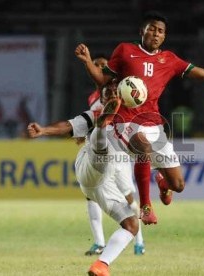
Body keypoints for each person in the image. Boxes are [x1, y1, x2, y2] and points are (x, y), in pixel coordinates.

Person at [75, 11, 204, 225]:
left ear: (164, 37)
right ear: (142, 31)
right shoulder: (125, 50)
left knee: (179, 185)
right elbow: (102, 80)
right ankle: (146, 206)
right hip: (125, 121)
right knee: (142, 145)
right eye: (152, 29)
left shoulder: (170, 60)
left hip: (153, 123)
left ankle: (163, 182)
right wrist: (87, 62)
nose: (156, 33)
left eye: (161, 31)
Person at [28, 80, 139, 275]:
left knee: (131, 225)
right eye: (108, 95)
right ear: (102, 100)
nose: (112, 96)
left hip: (101, 183)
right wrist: (44, 130)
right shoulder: (93, 114)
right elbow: (68, 126)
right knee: (99, 138)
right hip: (90, 165)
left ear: (123, 96)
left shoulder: (132, 121)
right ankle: (102, 128)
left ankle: (101, 265)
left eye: (116, 93)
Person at [83, 55, 145, 256]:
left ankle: (139, 241)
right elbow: (91, 122)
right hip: (100, 155)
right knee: (91, 196)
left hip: (119, 157)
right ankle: (99, 242)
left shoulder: (123, 93)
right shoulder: (95, 99)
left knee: (128, 198)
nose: (100, 69)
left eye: (103, 66)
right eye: (97, 66)